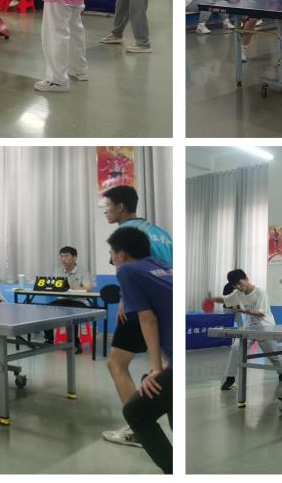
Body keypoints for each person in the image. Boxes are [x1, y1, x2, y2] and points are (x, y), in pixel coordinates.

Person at [101, 184, 173, 448]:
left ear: (120, 206)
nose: (105, 212)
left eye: (107, 206)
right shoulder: (161, 233)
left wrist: (124, 300)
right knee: (167, 371)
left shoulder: (124, 233)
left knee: (116, 364)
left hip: (142, 308)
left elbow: (128, 269)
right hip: (166, 306)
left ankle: (138, 426)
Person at [110, 227, 173, 474]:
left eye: (112, 253)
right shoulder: (163, 266)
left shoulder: (126, 270)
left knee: (135, 413)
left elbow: (148, 319)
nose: (112, 259)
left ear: (122, 254)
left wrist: (156, 369)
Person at [210, 268, 282, 390]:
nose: (238, 287)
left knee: (273, 355)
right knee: (236, 348)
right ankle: (230, 378)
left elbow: (261, 312)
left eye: (240, 283)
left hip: (265, 327)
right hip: (250, 327)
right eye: (235, 285)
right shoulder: (237, 293)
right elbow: (225, 299)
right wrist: (212, 299)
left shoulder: (261, 293)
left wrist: (244, 311)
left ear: (246, 278)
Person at [43, 246, 94, 353]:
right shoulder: (58, 271)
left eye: (66, 256)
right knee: (46, 310)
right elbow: (54, 287)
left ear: (74, 257)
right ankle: (49, 340)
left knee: (71, 312)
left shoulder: (83, 271)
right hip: (62, 300)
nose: (63, 259)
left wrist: (72, 287)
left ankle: (75, 344)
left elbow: (88, 288)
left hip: (79, 301)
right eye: (61, 256)